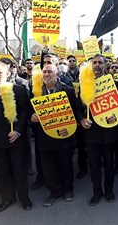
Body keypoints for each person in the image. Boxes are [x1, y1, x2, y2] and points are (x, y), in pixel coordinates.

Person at [29, 63, 81, 207]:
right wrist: (31, 117)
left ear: (57, 73)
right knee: (48, 167)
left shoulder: (68, 91)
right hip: (43, 137)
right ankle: (55, 192)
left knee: (65, 164)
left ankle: (68, 190)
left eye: (50, 72)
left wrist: (69, 128)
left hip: (64, 135)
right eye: (44, 72)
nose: (46, 74)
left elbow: (75, 112)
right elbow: (28, 109)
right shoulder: (36, 91)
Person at [0, 61, 32, 212]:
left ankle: (24, 199)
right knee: (3, 171)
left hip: (15, 138)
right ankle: (8, 198)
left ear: (7, 73)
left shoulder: (17, 90)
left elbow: (25, 112)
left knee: (19, 170)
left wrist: (18, 130)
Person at [79, 54, 118, 206]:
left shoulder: (113, 83)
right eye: (94, 62)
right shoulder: (85, 84)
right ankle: (97, 192)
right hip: (92, 133)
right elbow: (78, 107)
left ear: (105, 65)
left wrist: (114, 117)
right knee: (94, 165)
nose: (97, 65)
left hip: (109, 132)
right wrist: (82, 119)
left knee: (109, 164)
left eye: (100, 62)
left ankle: (109, 191)